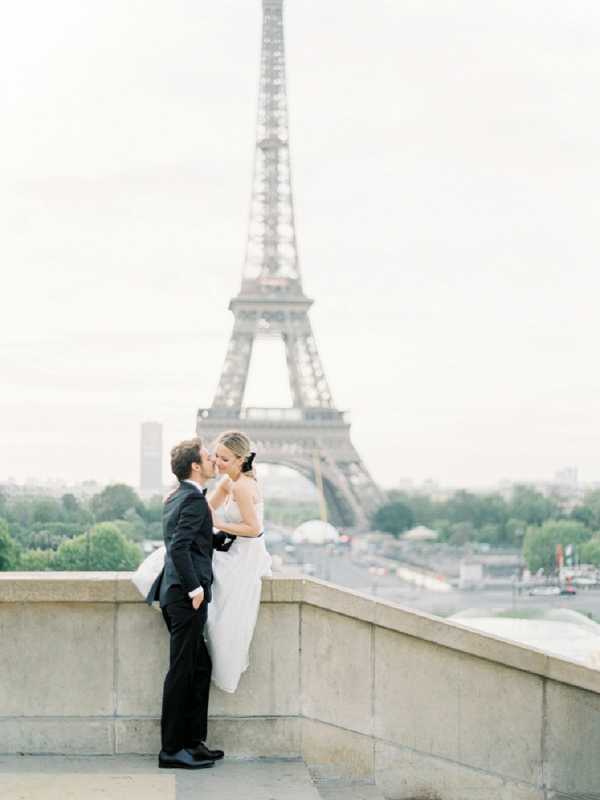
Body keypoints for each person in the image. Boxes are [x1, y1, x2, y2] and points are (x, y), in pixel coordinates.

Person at [149, 437, 225, 770]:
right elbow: (178, 547)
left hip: (174, 594)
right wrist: (195, 588)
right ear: (195, 465)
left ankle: (192, 742)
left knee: (199, 666)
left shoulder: (179, 496)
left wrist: (225, 538)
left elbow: (193, 538)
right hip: (185, 596)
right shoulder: (192, 500)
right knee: (181, 671)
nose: (214, 461)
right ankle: (171, 750)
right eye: (208, 457)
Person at [206, 430, 272, 693]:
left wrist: (220, 524)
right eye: (216, 456)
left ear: (239, 459)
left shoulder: (243, 486)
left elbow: (254, 529)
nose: (218, 462)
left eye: (224, 458)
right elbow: (207, 507)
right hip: (234, 550)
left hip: (245, 556)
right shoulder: (230, 481)